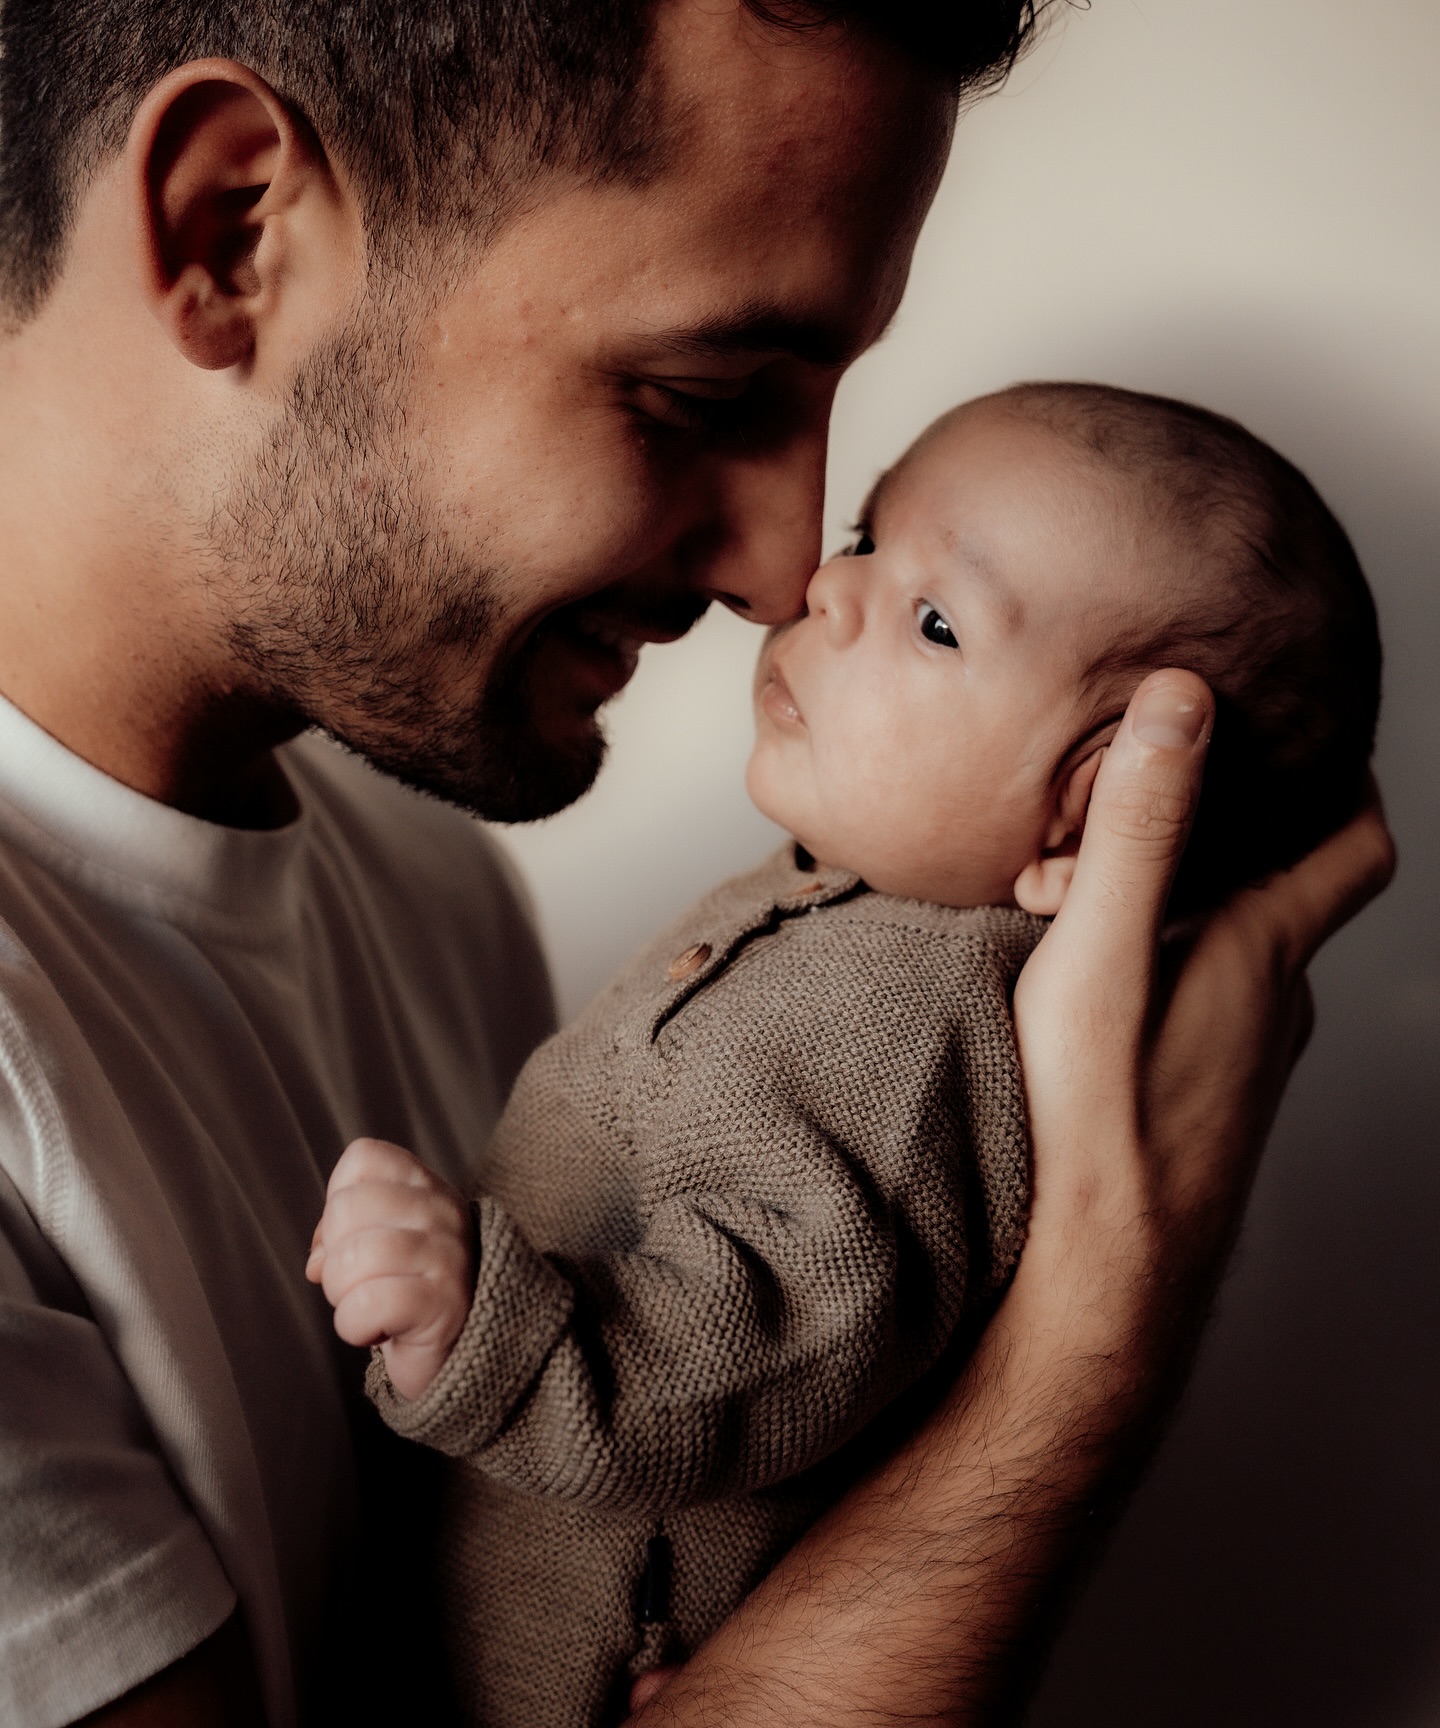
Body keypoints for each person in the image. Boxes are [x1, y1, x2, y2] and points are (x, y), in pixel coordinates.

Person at [0, 1, 1393, 1726]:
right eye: (700, 392)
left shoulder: (431, 892)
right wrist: (1097, 1322)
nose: (786, 565)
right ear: (232, 231)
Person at [306, 382, 1381, 1728]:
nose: (829, 588)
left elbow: (788, 1319)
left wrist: (487, 1322)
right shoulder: (845, 903)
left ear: (1089, 816)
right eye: (871, 535)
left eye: (937, 622)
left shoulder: (918, 1023)